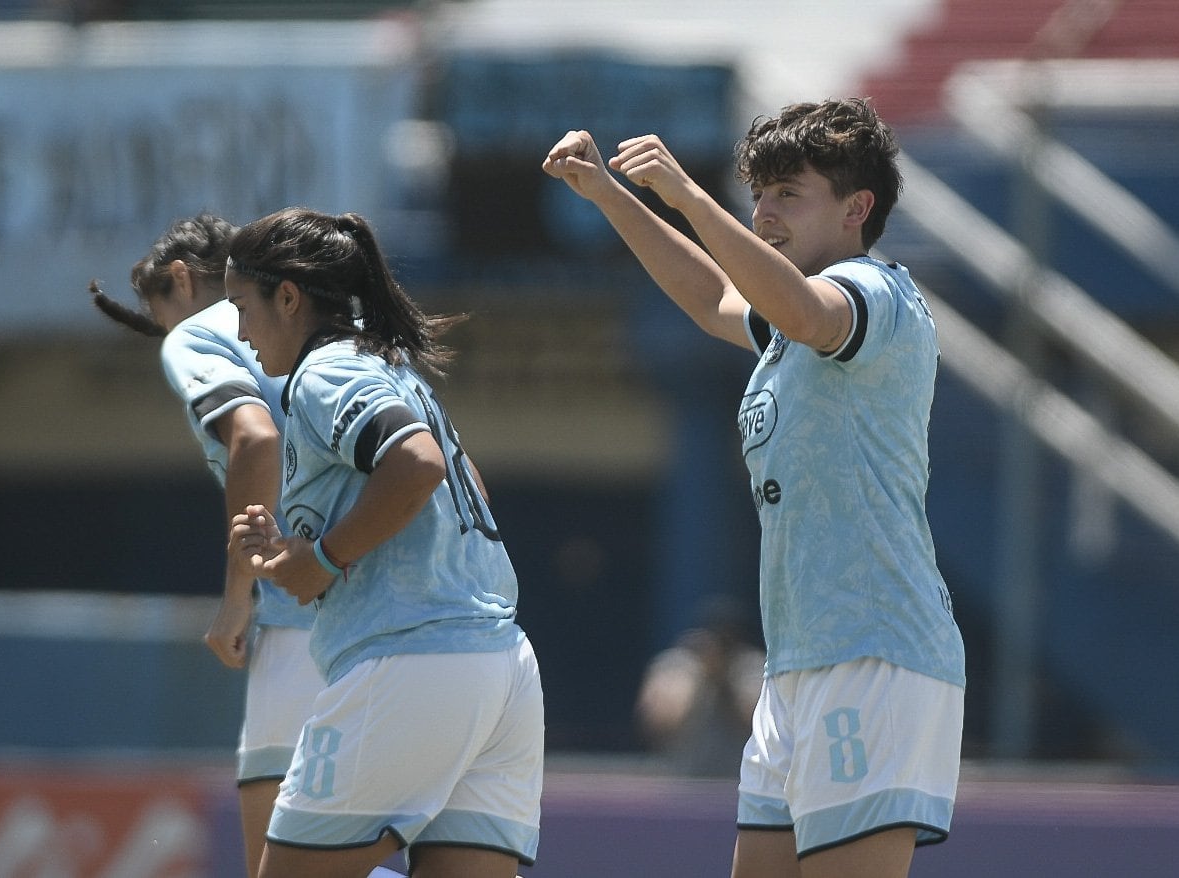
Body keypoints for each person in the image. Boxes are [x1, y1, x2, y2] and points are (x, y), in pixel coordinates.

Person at [543, 98, 966, 878]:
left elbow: (802, 311)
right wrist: (610, 195)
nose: (765, 212)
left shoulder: (876, 293)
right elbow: (712, 298)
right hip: (797, 659)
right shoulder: (785, 320)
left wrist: (688, 194)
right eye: (758, 194)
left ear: (856, 208)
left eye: (788, 195)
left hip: (874, 652)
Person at [226, 207, 543, 878]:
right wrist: (298, 553)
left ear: (287, 297)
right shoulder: (396, 369)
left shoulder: (324, 372)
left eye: (241, 306)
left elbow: (418, 465)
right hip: (500, 666)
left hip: (412, 663)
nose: (239, 331)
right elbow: (466, 487)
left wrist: (322, 558)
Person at [90, 213, 321, 878]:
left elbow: (256, 441)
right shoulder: (323, 327)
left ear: (185, 280)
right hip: (403, 620)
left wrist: (236, 598)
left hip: (303, 618)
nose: (168, 334)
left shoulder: (197, 333)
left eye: (163, 314)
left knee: (278, 863)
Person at [635, 595, 764, 778]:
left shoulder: (755, 666)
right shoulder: (675, 665)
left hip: (739, 780)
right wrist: (699, 679)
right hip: (684, 779)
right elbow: (659, 723)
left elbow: (759, 727)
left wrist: (723, 680)